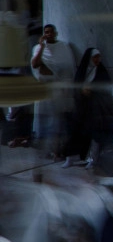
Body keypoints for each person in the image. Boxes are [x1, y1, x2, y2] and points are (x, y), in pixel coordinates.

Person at [30, 23, 75, 158]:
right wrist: (42, 47)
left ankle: (57, 150)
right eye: (46, 32)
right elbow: (35, 64)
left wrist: (50, 70)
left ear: (55, 33)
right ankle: (45, 149)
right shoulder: (38, 48)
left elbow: (67, 69)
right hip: (44, 91)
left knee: (57, 122)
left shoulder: (63, 48)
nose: (48, 34)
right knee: (43, 121)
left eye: (50, 32)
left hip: (58, 91)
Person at [68, 47, 113, 169]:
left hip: (96, 109)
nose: (97, 59)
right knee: (77, 133)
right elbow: (75, 88)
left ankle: (92, 159)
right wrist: (81, 92)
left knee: (95, 135)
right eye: (95, 57)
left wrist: (91, 91)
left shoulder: (101, 72)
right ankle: (72, 157)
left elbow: (105, 90)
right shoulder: (82, 71)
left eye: (99, 57)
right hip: (82, 108)